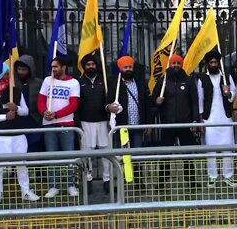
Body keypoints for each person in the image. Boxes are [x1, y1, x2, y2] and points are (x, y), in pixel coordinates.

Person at [0, 65, 40, 206]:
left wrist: (17, 108)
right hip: (0, 136)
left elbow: (25, 111)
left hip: (18, 135)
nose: (8, 76)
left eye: (9, 73)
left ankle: (25, 191)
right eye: (5, 74)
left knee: (22, 164)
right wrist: (4, 117)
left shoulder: (16, 92)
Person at [153, 55, 200, 188]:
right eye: (173, 63)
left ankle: (191, 180)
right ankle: (162, 181)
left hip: (185, 123)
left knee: (188, 153)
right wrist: (157, 101)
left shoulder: (188, 80)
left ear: (181, 65)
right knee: (165, 153)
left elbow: (194, 102)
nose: (176, 66)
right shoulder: (163, 81)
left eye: (178, 63)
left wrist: (195, 120)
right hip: (168, 123)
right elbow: (154, 99)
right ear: (170, 64)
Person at [107, 56, 152, 190]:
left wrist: (148, 123)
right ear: (120, 69)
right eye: (125, 67)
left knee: (137, 154)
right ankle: (124, 181)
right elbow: (107, 102)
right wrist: (109, 107)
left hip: (137, 125)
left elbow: (147, 105)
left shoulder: (140, 83)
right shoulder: (114, 83)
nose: (128, 69)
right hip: (122, 126)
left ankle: (139, 181)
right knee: (123, 155)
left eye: (130, 67)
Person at [37, 57, 80, 198]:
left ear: (64, 67)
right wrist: (44, 112)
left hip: (66, 124)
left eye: (56, 66)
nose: (53, 69)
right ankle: (53, 186)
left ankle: (71, 185)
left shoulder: (74, 83)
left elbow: (73, 105)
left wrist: (56, 114)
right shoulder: (47, 81)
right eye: (52, 67)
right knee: (52, 157)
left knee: (68, 157)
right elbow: (41, 100)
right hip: (49, 125)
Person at [197, 51, 237, 187]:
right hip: (210, 119)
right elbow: (199, 100)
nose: (213, 65)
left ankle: (228, 176)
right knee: (211, 149)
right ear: (208, 64)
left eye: (215, 62)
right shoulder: (202, 78)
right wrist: (201, 119)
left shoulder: (226, 76)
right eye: (211, 63)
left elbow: (234, 94)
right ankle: (212, 176)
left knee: (228, 148)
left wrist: (229, 93)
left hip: (225, 117)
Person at [78, 54, 110, 194]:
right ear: (84, 67)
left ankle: (107, 180)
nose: (91, 67)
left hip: (103, 121)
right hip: (86, 122)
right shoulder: (78, 82)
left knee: (106, 152)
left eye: (93, 64)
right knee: (87, 153)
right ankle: (88, 180)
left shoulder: (104, 81)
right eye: (88, 65)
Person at [14, 55, 44, 152]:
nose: (21, 72)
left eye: (24, 70)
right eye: (19, 69)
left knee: (34, 146)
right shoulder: (13, 83)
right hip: (18, 121)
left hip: (34, 120)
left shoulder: (39, 83)